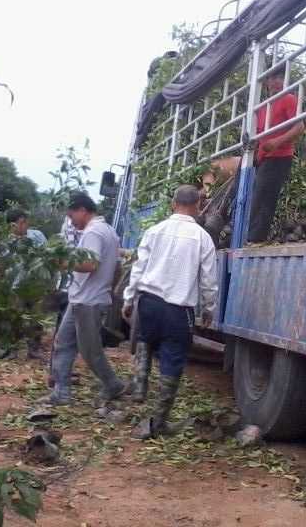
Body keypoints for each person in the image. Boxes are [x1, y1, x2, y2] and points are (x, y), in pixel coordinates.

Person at [123, 185, 218, 439]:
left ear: (173, 203)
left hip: (149, 302)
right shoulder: (202, 238)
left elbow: (138, 267)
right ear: (198, 206)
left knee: (145, 339)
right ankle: (159, 421)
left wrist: (129, 299)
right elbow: (209, 279)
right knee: (173, 357)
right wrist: (209, 308)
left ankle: (139, 389)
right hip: (179, 309)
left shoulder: (154, 231)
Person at [39, 193, 126, 405]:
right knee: (63, 342)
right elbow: (116, 267)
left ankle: (113, 384)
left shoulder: (94, 232)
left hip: (88, 300)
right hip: (82, 297)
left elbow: (89, 264)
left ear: (83, 210)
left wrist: (60, 262)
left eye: (72, 216)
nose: (71, 221)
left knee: (89, 351)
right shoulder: (109, 231)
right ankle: (62, 392)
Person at [248, 63, 305, 243]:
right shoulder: (263, 106)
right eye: (272, 78)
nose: (276, 82)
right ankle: (250, 237)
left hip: (280, 157)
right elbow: (258, 135)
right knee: (254, 197)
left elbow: (299, 127)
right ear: (266, 81)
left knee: (264, 199)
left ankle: (254, 240)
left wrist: (277, 142)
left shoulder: (288, 98)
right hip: (263, 159)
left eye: (280, 78)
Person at [6, 208, 48, 359]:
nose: (25, 225)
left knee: (36, 317)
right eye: (21, 223)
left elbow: (48, 255)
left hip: (36, 285)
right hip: (16, 286)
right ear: (12, 225)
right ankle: (13, 350)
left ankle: (34, 349)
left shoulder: (37, 236)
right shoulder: (6, 241)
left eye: (25, 222)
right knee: (15, 317)